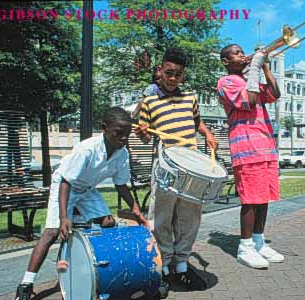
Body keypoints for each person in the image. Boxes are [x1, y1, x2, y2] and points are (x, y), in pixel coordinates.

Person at [15, 107, 147, 300]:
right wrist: (63, 217)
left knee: (108, 223)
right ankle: (26, 284)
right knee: (52, 232)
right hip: (65, 186)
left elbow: (121, 185)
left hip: (86, 189)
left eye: (127, 135)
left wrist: (136, 210)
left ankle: (97, 271)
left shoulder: (122, 154)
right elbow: (66, 181)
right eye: (119, 134)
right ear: (104, 128)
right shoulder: (87, 149)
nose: (123, 139)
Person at [135, 48, 218, 292]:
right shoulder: (148, 101)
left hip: (191, 164)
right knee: (160, 217)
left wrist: (207, 133)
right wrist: (142, 133)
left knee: (189, 216)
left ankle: (182, 264)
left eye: (178, 74)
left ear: (183, 75)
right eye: (169, 73)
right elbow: (143, 136)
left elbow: (196, 122)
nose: (173, 78)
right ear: (160, 71)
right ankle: (163, 263)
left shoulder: (190, 98)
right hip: (165, 166)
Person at [217, 44, 284, 269]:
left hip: (265, 145)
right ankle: (245, 247)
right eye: (236, 53)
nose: (242, 54)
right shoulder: (226, 82)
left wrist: (264, 67)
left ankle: (258, 241)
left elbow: (275, 94)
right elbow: (251, 100)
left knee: (263, 199)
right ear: (225, 62)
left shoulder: (250, 79)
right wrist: (254, 65)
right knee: (251, 200)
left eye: (241, 51)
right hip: (246, 147)